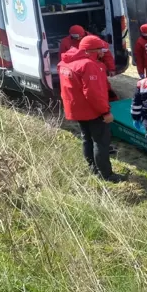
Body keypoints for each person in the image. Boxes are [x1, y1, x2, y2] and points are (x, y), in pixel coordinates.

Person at [57, 36, 125, 183]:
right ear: (91, 50)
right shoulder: (88, 65)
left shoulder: (65, 62)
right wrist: (105, 111)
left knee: (86, 139)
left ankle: (93, 168)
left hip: (77, 109)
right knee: (101, 141)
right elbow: (93, 93)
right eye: (101, 49)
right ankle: (107, 174)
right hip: (92, 110)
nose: (103, 53)